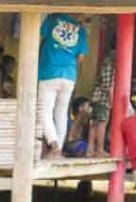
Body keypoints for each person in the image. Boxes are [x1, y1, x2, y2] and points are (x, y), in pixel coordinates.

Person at [38, 14, 88, 158]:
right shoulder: (81, 30)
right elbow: (81, 57)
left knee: (44, 111)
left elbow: (39, 37)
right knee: (61, 113)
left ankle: (53, 144)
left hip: (49, 72)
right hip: (69, 75)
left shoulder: (52, 19)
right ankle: (58, 149)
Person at [88, 49, 114, 157]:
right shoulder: (109, 67)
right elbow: (109, 88)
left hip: (96, 98)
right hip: (103, 100)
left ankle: (89, 151)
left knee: (94, 124)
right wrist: (111, 103)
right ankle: (99, 150)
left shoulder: (105, 65)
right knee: (102, 125)